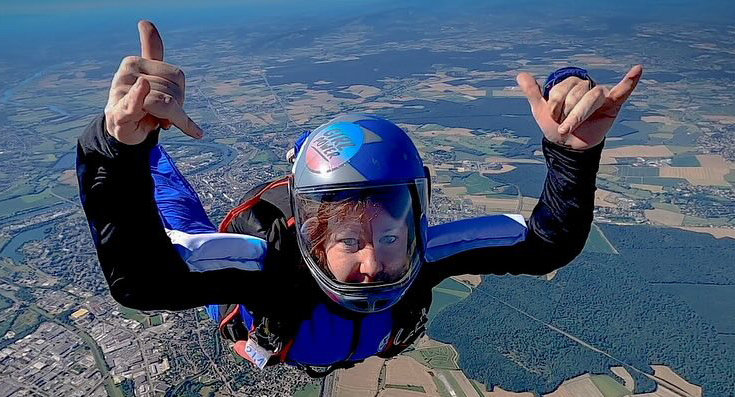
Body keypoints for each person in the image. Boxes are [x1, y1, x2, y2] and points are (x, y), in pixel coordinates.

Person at [77, 21, 642, 375]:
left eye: (391, 235)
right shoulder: (268, 266)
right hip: (249, 306)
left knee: (170, 214)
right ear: (311, 237)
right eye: (349, 238)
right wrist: (117, 145)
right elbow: (143, 280)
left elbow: (546, 243)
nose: (374, 262)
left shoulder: (423, 256)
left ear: (414, 223)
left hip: (297, 333)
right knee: (168, 203)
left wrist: (571, 153)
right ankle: (144, 144)